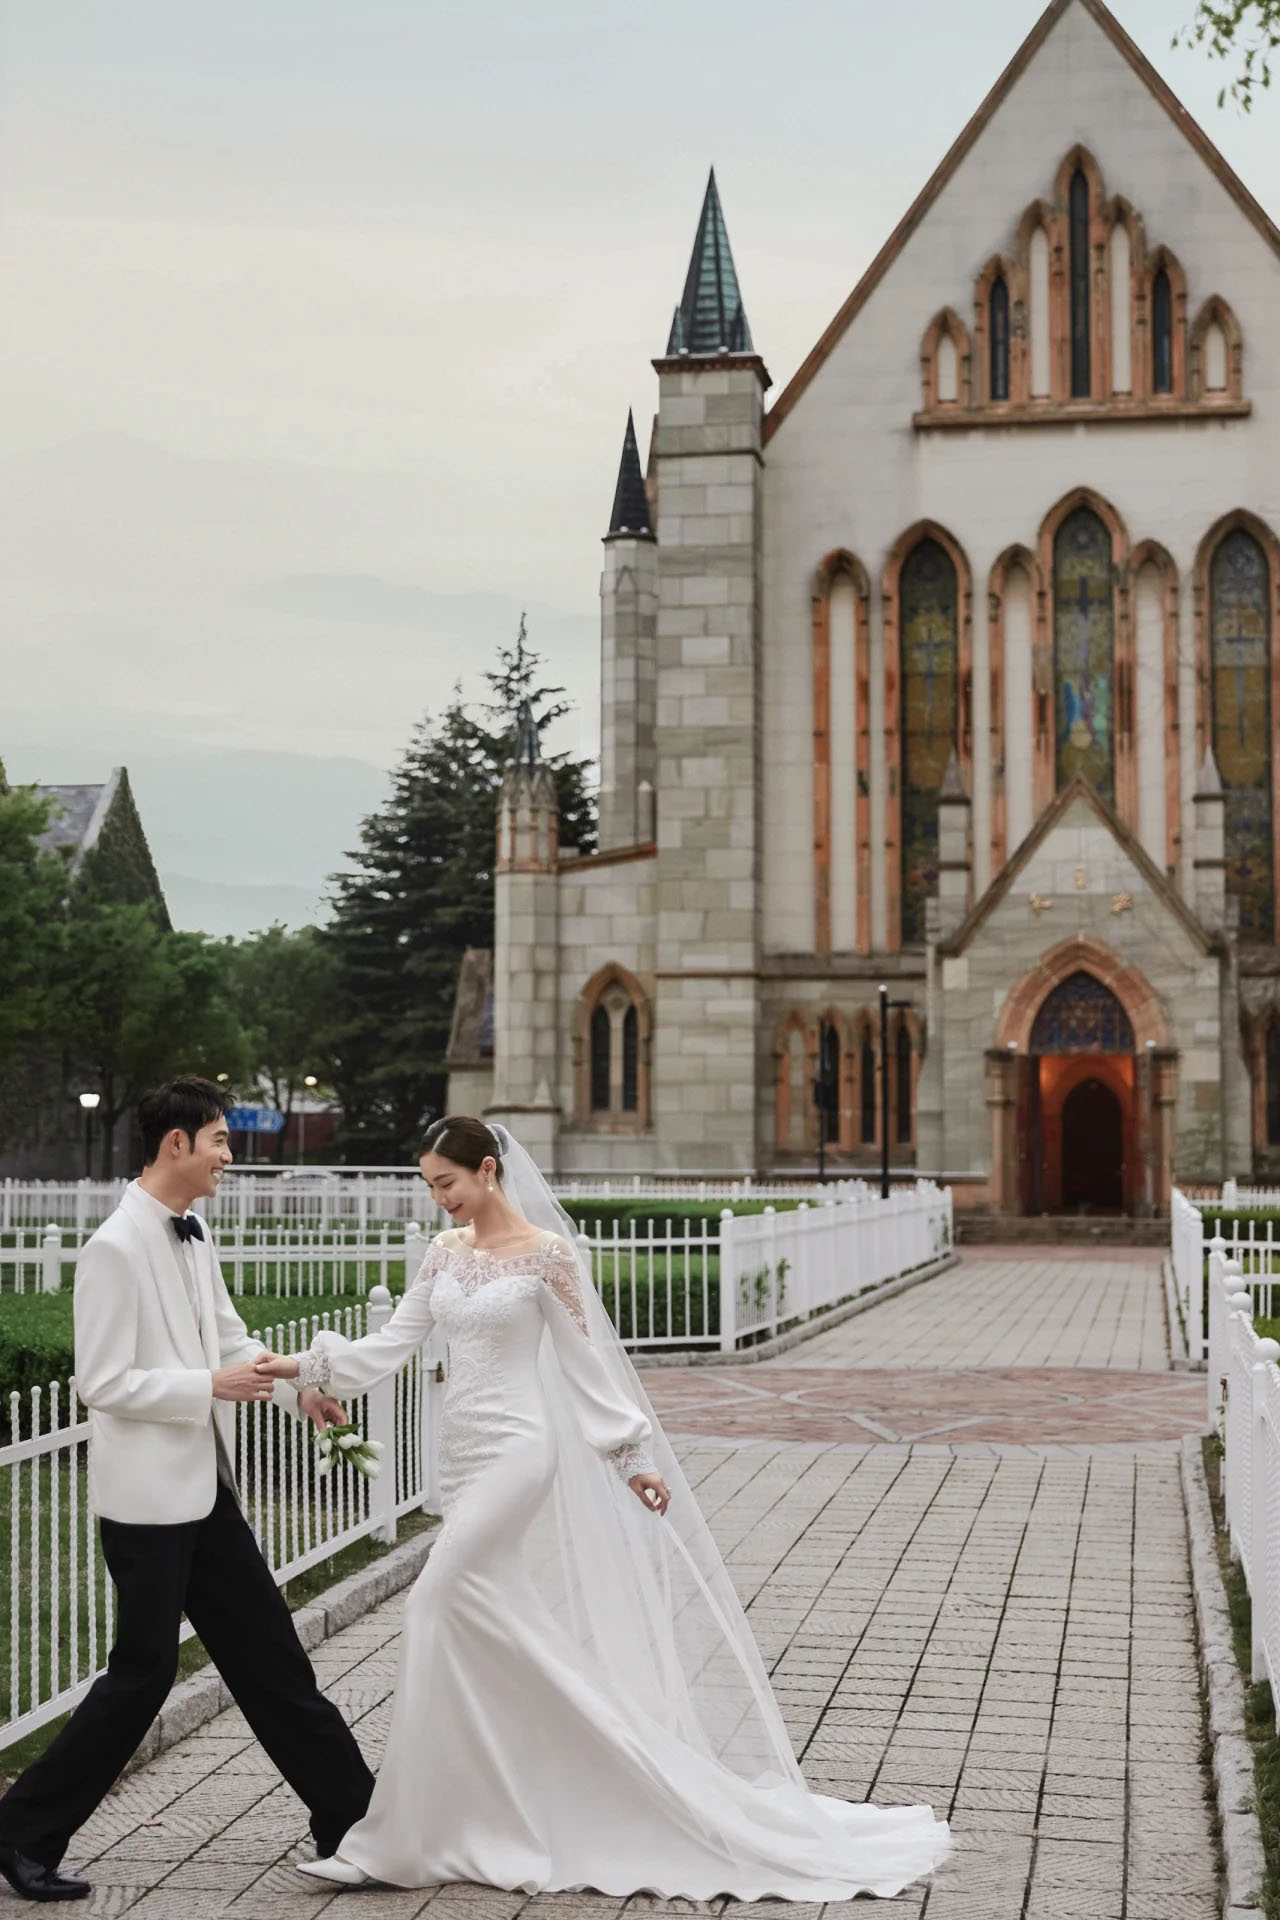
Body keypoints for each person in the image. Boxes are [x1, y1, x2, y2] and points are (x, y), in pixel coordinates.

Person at [255, 1115, 950, 1900]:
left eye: (445, 1183)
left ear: (488, 1170)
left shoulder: (550, 1258)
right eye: (429, 1186)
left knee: (434, 1606)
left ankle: (394, 1839)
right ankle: (528, 1786)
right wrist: (305, 1366)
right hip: (462, 1457)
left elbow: (587, 1366)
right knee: (491, 1627)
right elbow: (391, 1345)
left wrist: (631, 1457)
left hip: (521, 1453)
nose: (438, 1198)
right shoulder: (443, 1254)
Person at [0, 1078, 375, 1903]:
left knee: (272, 1660)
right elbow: (101, 1382)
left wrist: (296, 1389)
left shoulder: (195, 1237)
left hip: (208, 1492)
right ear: (177, 1144)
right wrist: (205, 1385)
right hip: (147, 1504)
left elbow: (233, 1336)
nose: (227, 1158)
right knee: (143, 1674)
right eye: (219, 1141)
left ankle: (355, 1820)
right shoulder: (113, 1246)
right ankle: (22, 1829)